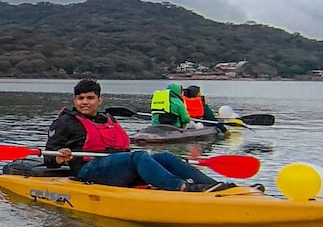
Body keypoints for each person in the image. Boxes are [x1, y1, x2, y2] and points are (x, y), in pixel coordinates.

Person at [44, 79, 229, 192]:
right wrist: (60, 157)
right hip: (87, 169)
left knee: (165, 157)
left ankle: (213, 186)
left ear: (99, 100)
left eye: (90, 98)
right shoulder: (66, 121)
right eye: (80, 98)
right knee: (139, 156)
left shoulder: (107, 119)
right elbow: (49, 158)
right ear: (75, 100)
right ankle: (181, 187)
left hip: (115, 168)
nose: (85, 102)